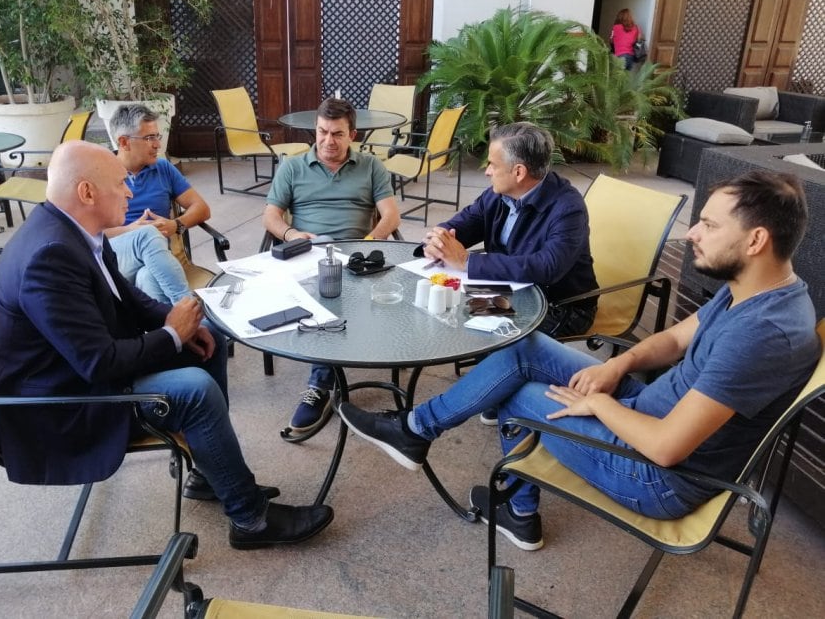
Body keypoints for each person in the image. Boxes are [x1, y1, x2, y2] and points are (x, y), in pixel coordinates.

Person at [337, 170, 820, 551]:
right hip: (648, 407)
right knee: (522, 347)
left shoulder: (762, 333)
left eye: (710, 225)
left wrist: (603, 406)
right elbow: (673, 341)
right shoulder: (759, 290)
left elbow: (668, 448)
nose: (692, 233)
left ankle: (517, 512)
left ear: (756, 241)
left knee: (519, 397)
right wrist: (617, 366)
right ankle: (417, 431)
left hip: (658, 478)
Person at [0, 140, 334, 550]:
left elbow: (126, 298)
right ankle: (250, 518)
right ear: (86, 193)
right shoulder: (50, 255)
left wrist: (178, 324)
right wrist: (170, 335)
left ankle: (208, 472)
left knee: (211, 341)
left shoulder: (73, 232)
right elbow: (99, 365)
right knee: (194, 390)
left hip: (76, 373)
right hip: (62, 407)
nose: (130, 193)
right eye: (121, 184)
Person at [421, 122, 598, 424]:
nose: (487, 171)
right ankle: (493, 385)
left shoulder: (567, 207)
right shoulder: (499, 195)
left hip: (560, 305)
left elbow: (547, 267)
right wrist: (439, 241)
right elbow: (464, 223)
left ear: (518, 172)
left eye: (491, 164)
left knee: (472, 320)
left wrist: (467, 263)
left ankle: (495, 391)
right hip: (510, 293)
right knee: (445, 307)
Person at [263, 97, 401, 435]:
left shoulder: (371, 167)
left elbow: (391, 215)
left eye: (337, 134)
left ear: (352, 134)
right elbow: (270, 216)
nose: (328, 140)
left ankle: (321, 385)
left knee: (335, 293)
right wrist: (292, 233)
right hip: (308, 252)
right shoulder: (293, 167)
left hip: (356, 255)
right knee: (328, 294)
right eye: (322, 132)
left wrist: (370, 242)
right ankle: (322, 383)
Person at [104, 104, 209, 304]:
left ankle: (176, 331)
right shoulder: (101, 172)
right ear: (124, 142)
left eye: (156, 137)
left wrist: (175, 225)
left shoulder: (162, 168)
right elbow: (86, 232)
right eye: (149, 138)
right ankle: (189, 307)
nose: (157, 145)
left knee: (147, 276)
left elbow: (201, 208)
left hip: (157, 263)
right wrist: (130, 230)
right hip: (116, 262)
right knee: (147, 234)